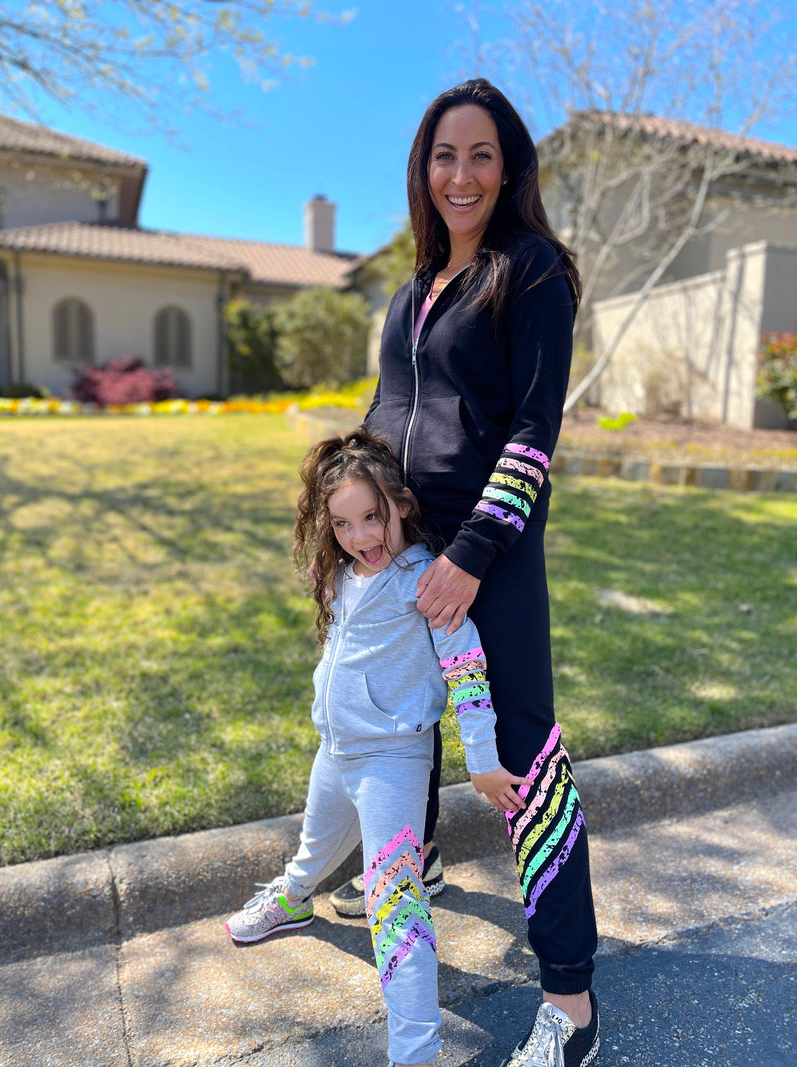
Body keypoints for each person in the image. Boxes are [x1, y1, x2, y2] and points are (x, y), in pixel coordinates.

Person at [359, 77, 600, 1067]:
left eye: (481, 155)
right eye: (443, 155)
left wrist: (470, 551)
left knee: (523, 757)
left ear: (508, 169)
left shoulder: (531, 270)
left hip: (484, 556)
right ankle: (407, 865)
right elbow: (384, 414)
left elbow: (533, 433)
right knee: (404, 719)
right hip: (402, 550)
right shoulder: (411, 293)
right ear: (423, 170)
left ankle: (571, 998)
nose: (460, 174)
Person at [225, 427, 530, 1067]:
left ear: (403, 505)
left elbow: (466, 667)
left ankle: (414, 1051)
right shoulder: (343, 575)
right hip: (335, 752)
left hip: (393, 763)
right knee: (316, 846)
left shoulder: (425, 580)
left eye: (373, 517)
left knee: (396, 908)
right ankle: (290, 899)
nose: (362, 537)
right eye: (342, 524)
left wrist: (481, 762)